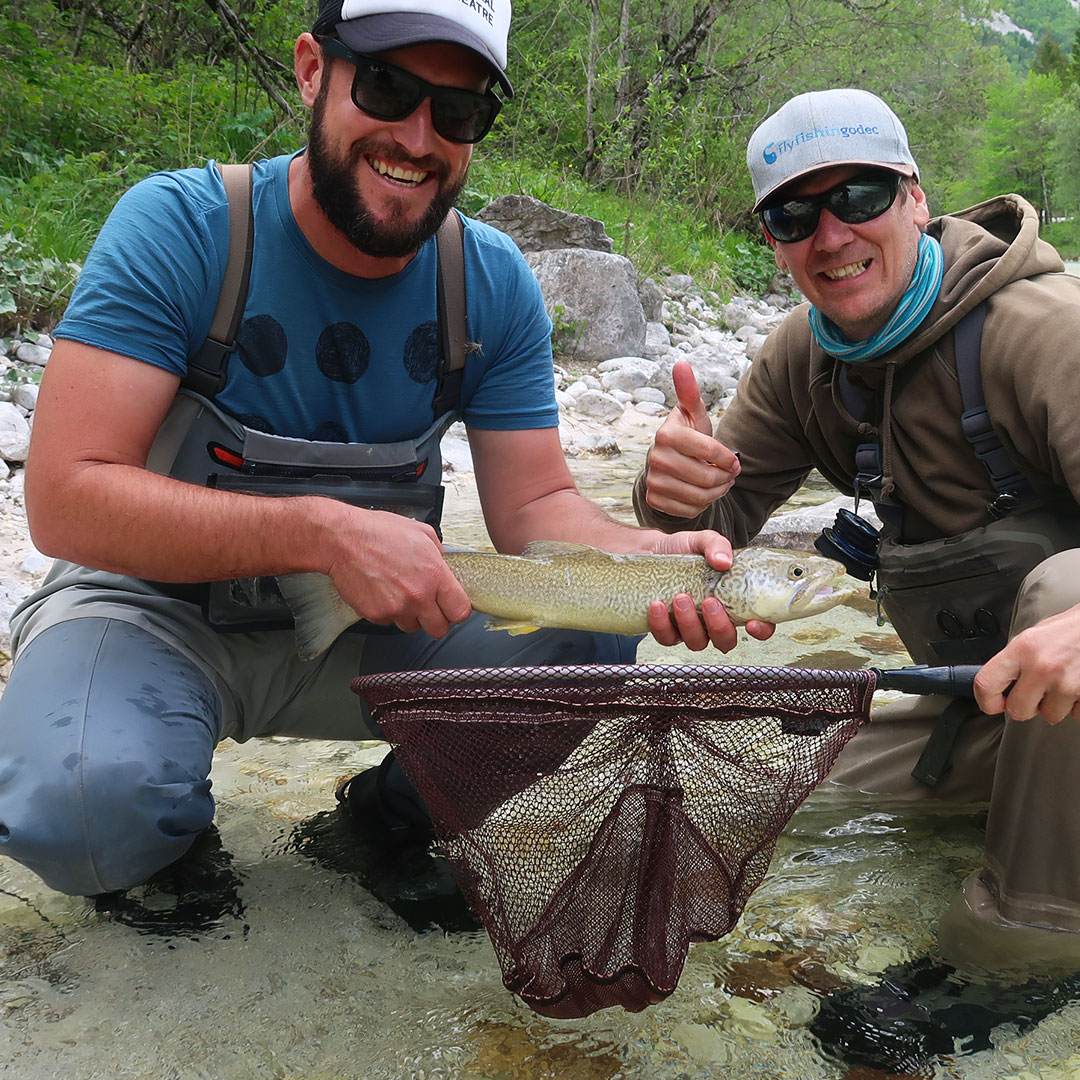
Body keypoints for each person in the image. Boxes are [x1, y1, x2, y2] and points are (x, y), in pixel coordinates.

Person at [0, 0, 756, 904]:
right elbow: (64, 500)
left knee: (586, 637)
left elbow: (538, 514)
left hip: (371, 636)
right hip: (157, 614)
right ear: (314, 70)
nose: (416, 134)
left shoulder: (490, 282)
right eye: (390, 85)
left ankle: (385, 818)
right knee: (75, 814)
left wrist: (654, 560)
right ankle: (158, 835)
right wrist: (322, 534)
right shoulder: (182, 229)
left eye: (458, 110)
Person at [634, 86, 1080, 1056]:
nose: (830, 235)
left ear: (917, 199)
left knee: (1068, 593)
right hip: (996, 720)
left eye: (861, 197)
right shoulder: (805, 362)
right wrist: (670, 494)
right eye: (794, 215)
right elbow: (699, 548)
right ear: (772, 239)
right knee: (743, 787)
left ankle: (1031, 940)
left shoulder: (1044, 332)